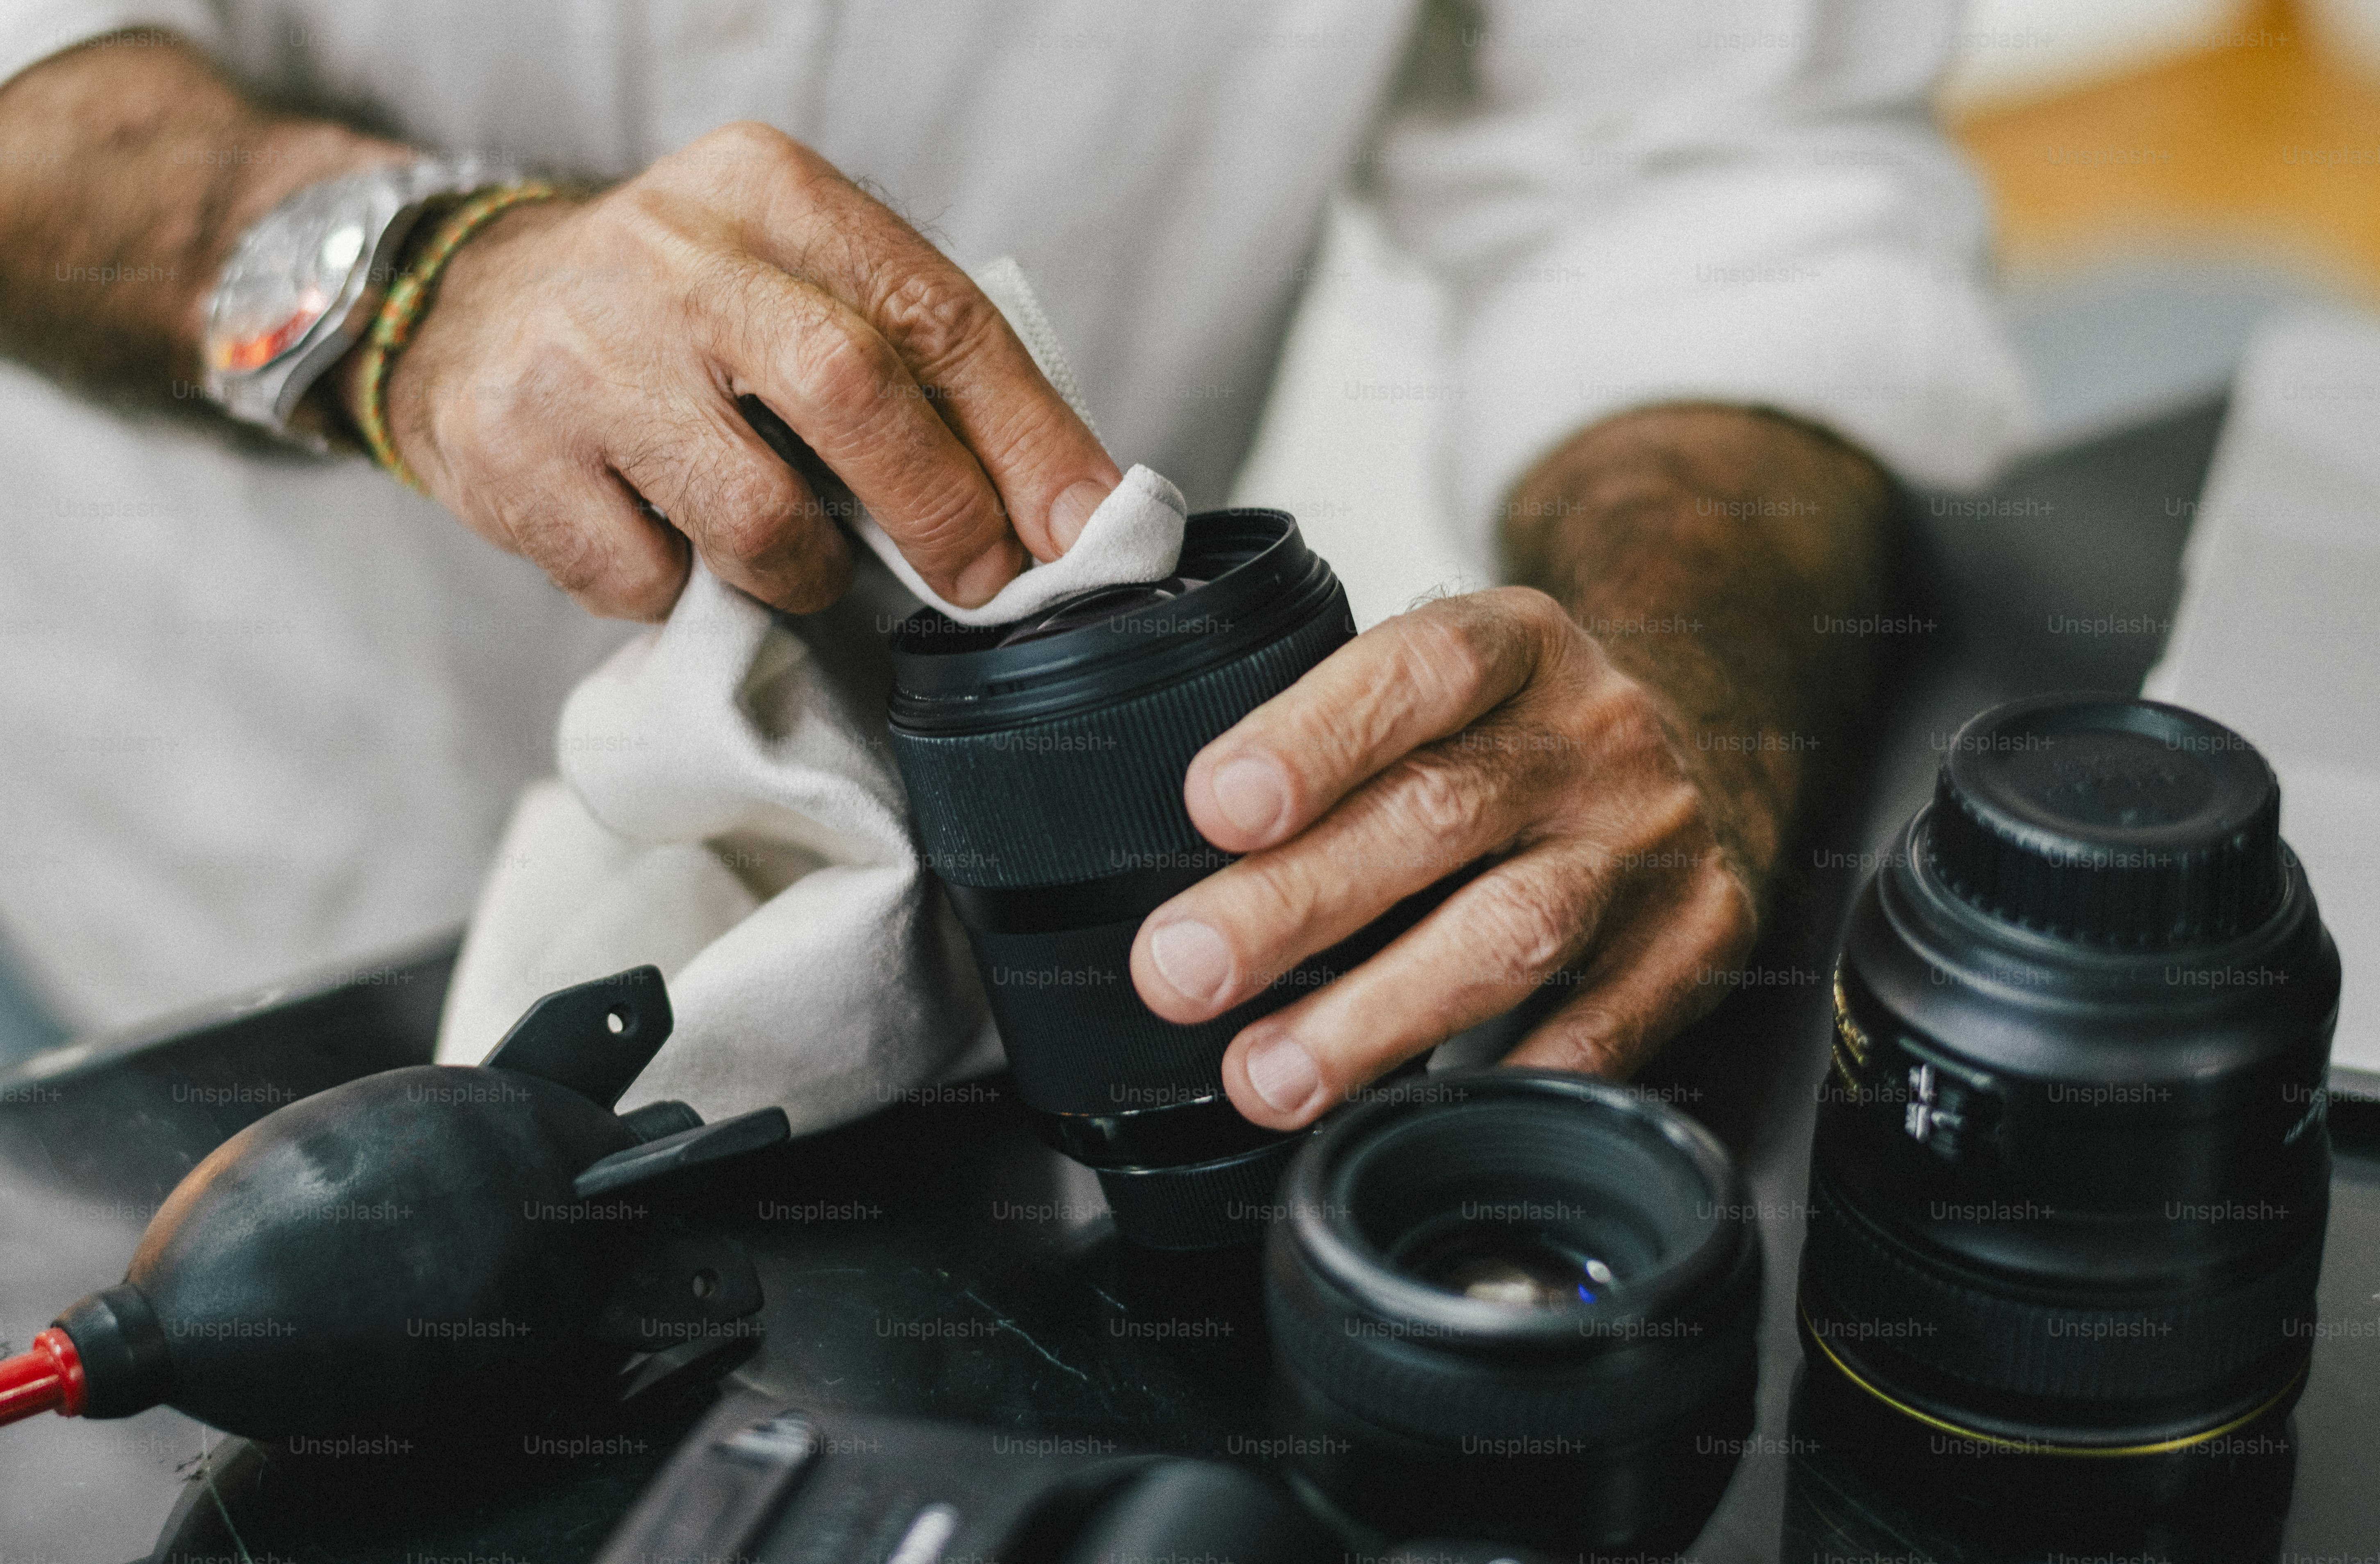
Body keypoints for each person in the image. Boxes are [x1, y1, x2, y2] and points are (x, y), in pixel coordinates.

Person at [0, 2, 2026, 1124]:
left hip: (1031, 1000)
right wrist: (387, 280)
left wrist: (1684, 678)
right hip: (193, 894)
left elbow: (1717, 179)